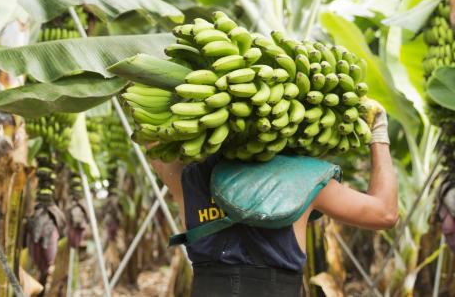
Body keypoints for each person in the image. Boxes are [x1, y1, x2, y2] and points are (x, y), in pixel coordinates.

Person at [150, 102, 398, 296]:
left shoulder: (189, 177)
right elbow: (385, 213)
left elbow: (153, 140)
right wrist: (378, 133)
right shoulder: (305, 178)